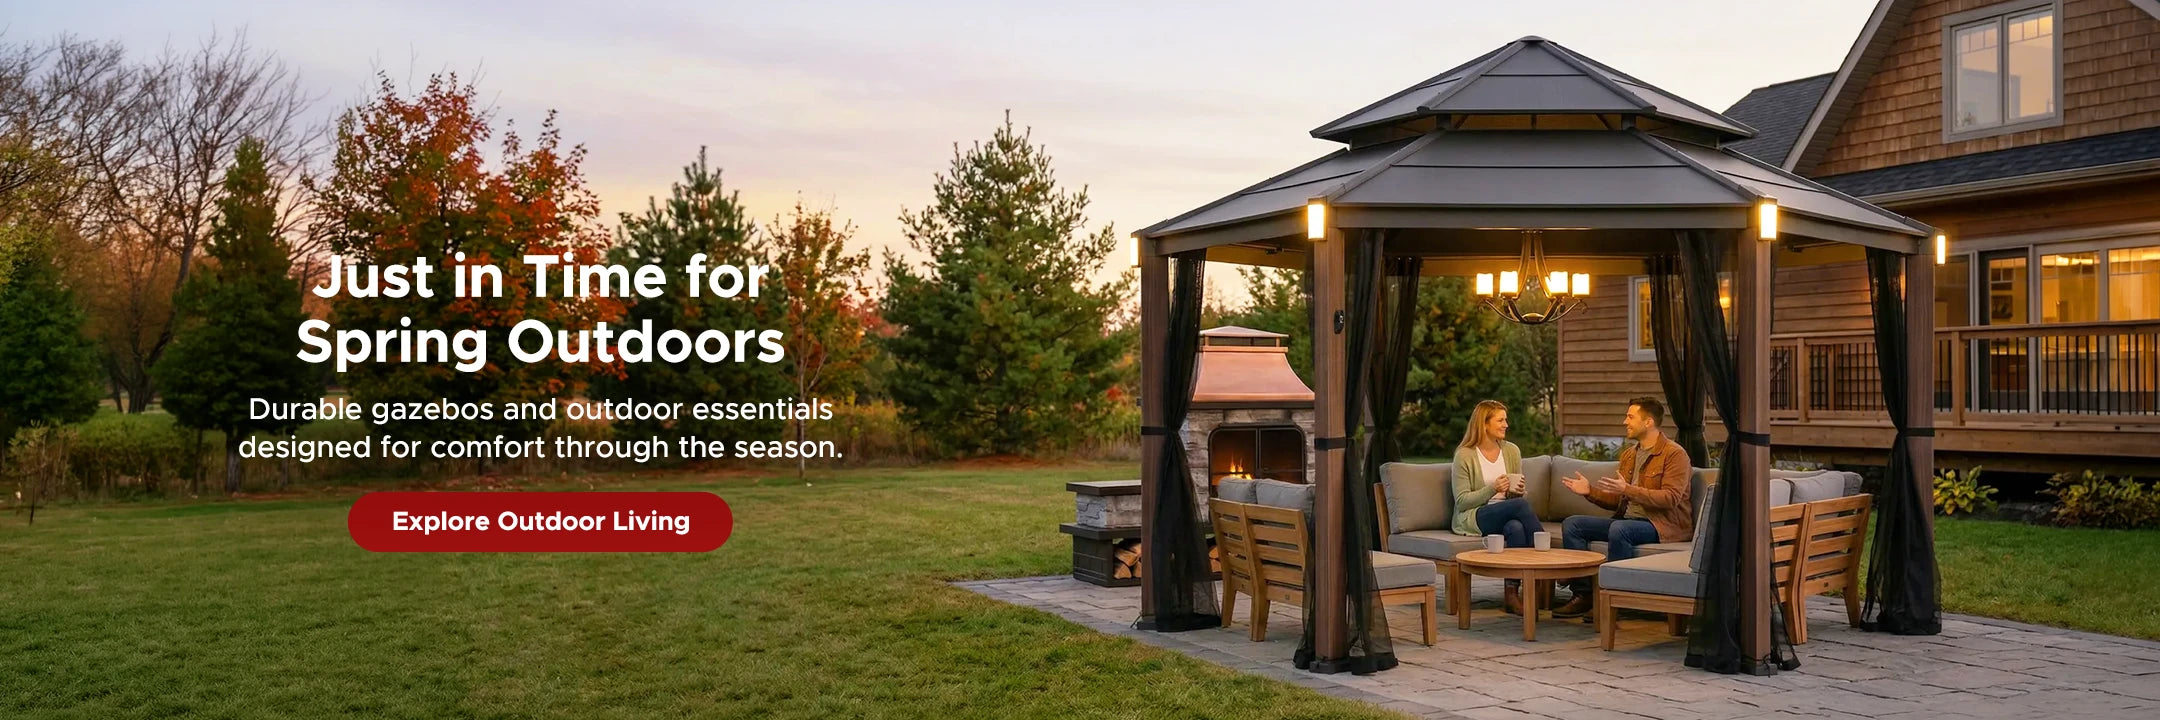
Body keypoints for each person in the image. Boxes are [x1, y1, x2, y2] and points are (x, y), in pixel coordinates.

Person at [1551, 396, 1694, 619]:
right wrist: (1589, 491)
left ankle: (1615, 601)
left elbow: (1671, 498)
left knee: (1620, 530)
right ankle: (1584, 595)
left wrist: (1628, 489)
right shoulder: (1629, 455)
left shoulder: (1674, 454)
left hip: (1663, 526)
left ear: (1648, 422)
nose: (1624, 422)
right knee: (1573, 524)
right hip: (1628, 521)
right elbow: (1619, 501)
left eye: (1630, 416)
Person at [1451, 400, 1542, 615]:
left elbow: (1513, 495)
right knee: (1520, 506)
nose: (1506, 425)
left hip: (1508, 511)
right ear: (1484, 425)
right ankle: (1546, 554)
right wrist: (1492, 489)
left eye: (1506, 420)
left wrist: (1515, 491)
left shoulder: (1511, 451)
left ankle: (1511, 594)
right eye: (1501, 420)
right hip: (1475, 515)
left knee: (1516, 528)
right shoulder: (1464, 455)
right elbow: (1462, 501)